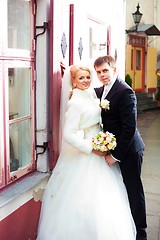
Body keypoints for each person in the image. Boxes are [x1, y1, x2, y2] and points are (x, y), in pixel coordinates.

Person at [36, 64, 136, 240]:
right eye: (80, 78)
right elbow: (68, 134)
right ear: (73, 82)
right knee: (84, 197)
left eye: (88, 77)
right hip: (88, 153)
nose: (86, 81)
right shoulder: (75, 102)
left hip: (101, 150)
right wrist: (91, 148)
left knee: (105, 198)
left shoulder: (91, 94)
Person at [94, 55, 147, 240]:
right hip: (115, 148)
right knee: (121, 189)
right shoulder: (103, 90)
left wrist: (115, 155)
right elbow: (87, 90)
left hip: (130, 150)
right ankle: (127, 225)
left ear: (114, 70)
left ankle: (140, 231)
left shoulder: (125, 91)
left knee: (133, 189)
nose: (102, 75)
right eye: (99, 72)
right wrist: (69, 74)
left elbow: (129, 128)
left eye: (105, 71)